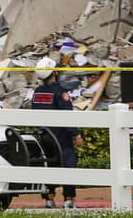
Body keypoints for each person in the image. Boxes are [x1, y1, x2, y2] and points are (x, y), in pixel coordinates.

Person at [33, 56, 84, 209]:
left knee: (49, 164)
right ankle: (68, 199)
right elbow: (66, 115)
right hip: (61, 136)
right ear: (54, 72)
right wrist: (76, 134)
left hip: (44, 136)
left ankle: (49, 198)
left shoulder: (38, 92)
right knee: (69, 164)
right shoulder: (60, 92)